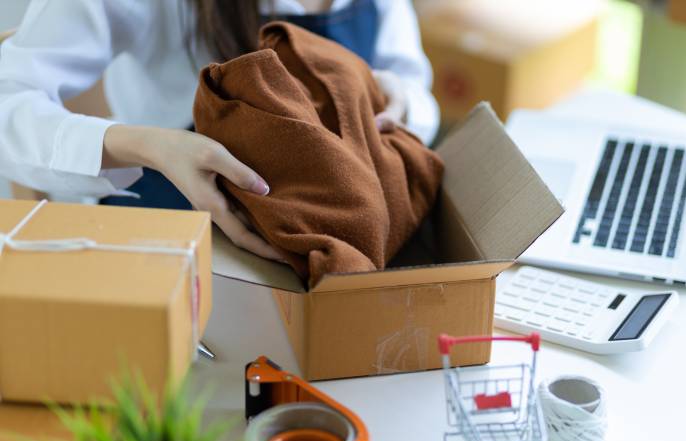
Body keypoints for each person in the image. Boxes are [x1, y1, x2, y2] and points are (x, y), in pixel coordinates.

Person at [0, 0, 439, 260]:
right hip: (172, 238)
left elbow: (414, 87)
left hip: (330, 242)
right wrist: (149, 147)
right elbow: (10, 101)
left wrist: (400, 98)